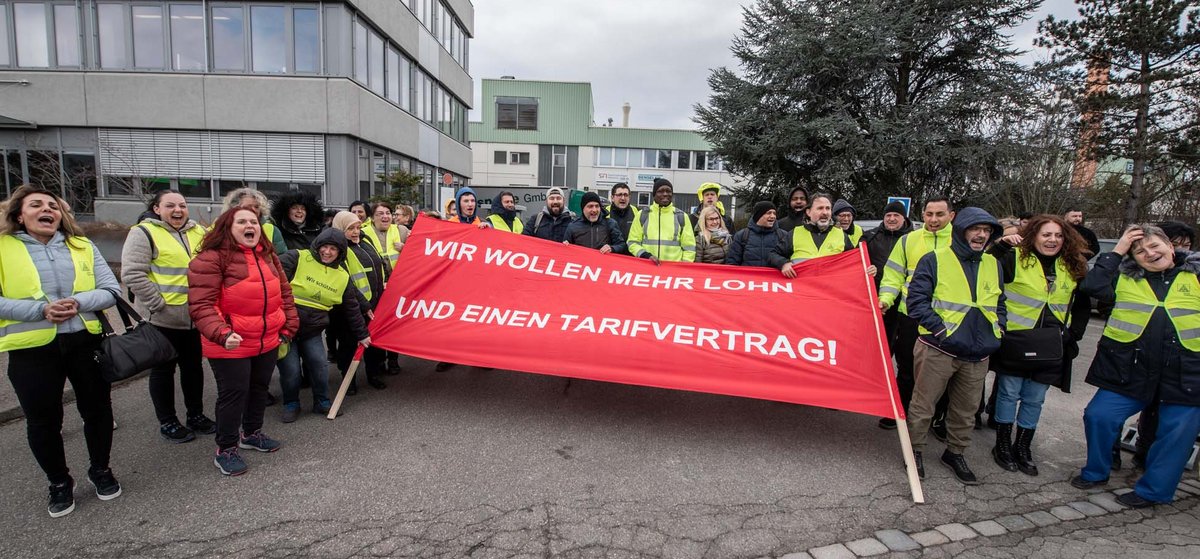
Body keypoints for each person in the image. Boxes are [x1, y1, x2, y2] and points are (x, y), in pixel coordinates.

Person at [0, 185, 121, 517]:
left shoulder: (81, 245)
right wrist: (41, 310)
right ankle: (58, 482)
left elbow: (111, 290)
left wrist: (79, 302)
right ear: (18, 214)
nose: (47, 210)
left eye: (52, 205)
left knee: (97, 410)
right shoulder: (3, 247)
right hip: (32, 350)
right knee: (43, 421)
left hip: (85, 342)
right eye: (36, 205)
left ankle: (100, 469)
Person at [1071, 225, 1200, 508]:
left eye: (1155, 246)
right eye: (1140, 251)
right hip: (1129, 369)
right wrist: (1117, 249)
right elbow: (1091, 287)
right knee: (1099, 416)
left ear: (1170, 245)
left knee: (1177, 434)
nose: (1150, 254)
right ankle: (1096, 472)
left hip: (1185, 373)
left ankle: (1154, 491)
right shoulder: (1123, 277)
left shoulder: (1195, 274)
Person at [188, 207, 299, 476]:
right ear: (227, 226)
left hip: (267, 339)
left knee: (259, 388)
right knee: (233, 394)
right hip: (230, 342)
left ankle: (251, 433)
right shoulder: (211, 259)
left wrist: (289, 324)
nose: (250, 226)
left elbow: (284, 293)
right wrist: (222, 333)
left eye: (254, 222)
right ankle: (226, 448)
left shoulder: (268, 255)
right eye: (242, 222)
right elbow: (201, 304)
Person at [905, 207, 1006, 484]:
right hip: (938, 348)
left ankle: (955, 452)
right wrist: (940, 329)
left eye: (986, 231)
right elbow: (917, 301)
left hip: (978, 353)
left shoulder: (992, 264)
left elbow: (999, 303)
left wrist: (999, 330)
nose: (981, 235)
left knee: (966, 409)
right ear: (961, 231)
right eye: (976, 229)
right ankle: (914, 451)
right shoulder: (934, 260)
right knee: (923, 405)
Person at [988, 215, 1090, 476]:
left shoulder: (1073, 264)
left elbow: (1081, 304)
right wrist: (999, 246)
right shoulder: (1015, 258)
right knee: (1009, 393)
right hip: (1016, 340)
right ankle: (1002, 444)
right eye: (1046, 234)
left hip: (1051, 344)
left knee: (1035, 398)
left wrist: (1072, 334)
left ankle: (1023, 446)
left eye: (1058, 235)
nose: (1052, 240)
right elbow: (986, 270)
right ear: (1033, 235)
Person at [120, 190, 215, 444]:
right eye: (170, 205)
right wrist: (157, 304)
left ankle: (196, 415)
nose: (178, 210)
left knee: (193, 369)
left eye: (182, 205)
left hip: (195, 316)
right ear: (157, 208)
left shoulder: (199, 233)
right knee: (163, 372)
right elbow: (132, 273)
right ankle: (168, 421)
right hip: (163, 319)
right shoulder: (144, 233)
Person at [877, 196, 955, 431]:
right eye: (929, 214)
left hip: (948, 317)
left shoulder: (959, 240)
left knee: (942, 371)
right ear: (923, 215)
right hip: (910, 315)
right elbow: (893, 276)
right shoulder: (908, 240)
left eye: (939, 214)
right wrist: (885, 299)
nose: (933, 219)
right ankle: (900, 411)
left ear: (951, 216)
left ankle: (937, 416)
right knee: (907, 366)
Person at [277, 229, 371, 421]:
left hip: (312, 331)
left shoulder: (342, 276)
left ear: (340, 252)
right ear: (317, 246)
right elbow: (270, 283)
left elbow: (352, 307)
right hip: (286, 329)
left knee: (319, 365)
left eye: (333, 249)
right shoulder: (296, 257)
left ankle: (322, 402)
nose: (327, 252)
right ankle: (291, 403)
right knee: (291, 370)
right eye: (324, 247)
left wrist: (362, 334)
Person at [862, 200, 912, 429]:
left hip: (909, 309)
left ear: (905, 218)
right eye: (888, 215)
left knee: (905, 359)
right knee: (878, 354)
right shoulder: (870, 237)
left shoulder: (912, 239)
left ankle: (899, 408)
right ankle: (872, 398)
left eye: (896, 215)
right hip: (878, 304)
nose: (892, 219)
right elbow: (855, 262)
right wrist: (866, 269)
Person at [331, 211, 389, 392]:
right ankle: (349, 381)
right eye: (350, 229)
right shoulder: (336, 249)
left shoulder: (365, 241)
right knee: (348, 344)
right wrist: (363, 304)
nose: (356, 232)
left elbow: (379, 264)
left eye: (358, 227)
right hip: (350, 308)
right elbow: (345, 281)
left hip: (374, 303)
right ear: (340, 229)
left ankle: (373, 374)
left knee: (372, 343)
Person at [769, 192, 855, 278]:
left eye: (828, 208)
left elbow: (855, 261)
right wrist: (784, 264)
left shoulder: (841, 235)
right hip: (803, 288)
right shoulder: (795, 233)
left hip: (831, 288)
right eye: (820, 208)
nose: (825, 212)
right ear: (808, 212)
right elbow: (773, 255)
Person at [627, 178, 696, 263]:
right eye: (660, 191)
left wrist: (683, 267)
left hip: (673, 271)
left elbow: (690, 247)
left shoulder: (682, 216)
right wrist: (645, 255)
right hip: (647, 268)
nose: (665, 194)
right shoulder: (642, 215)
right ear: (654, 194)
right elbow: (632, 243)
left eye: (668, 191)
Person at [221, 187, 286, 254]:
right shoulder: (219, 229)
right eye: (247, 207)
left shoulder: (272, 230)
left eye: (256, 207)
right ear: (233, 208)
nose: (253, 210)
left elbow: (281, 258)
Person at [726, 201, 786, 268]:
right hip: (748, 278)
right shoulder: (741, 236)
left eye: (774, 213)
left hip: (774, 278)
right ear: (758, 215)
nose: (773, 216)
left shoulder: (783, 235)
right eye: (768, 213)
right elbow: (732, 263)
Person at [362, 201, 408, 269]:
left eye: (388, 213)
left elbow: (417, 251)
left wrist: (405, 248)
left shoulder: (401, 230)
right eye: (381, 214)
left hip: (398, 276)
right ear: (372, 218)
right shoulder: (363, 233)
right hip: (376, 277)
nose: (385, 216)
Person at [606, 183, 640, 254]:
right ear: (612, 198)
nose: (623, 198)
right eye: (619, 195)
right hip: (611, 257)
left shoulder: (636, 212)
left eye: (626, 195)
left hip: (630, 259)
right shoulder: (605, 212)